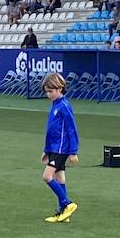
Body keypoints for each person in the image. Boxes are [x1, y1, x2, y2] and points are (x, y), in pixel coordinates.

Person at [41, 72, 79, 223]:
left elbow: (71, 128)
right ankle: (64, 214)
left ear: (60, 88)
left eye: (50, 91)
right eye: (47, 91)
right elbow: (52, 130)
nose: (48, 94)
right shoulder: (55, 104)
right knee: (59, 177)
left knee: (47, 177)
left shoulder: (64, 106)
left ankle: (67, 203)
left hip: (61, 149)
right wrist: (46, 150)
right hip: (54, 148)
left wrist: (73, 151)